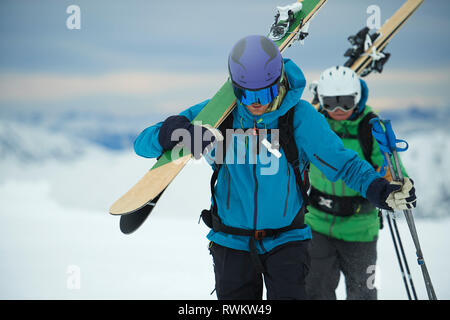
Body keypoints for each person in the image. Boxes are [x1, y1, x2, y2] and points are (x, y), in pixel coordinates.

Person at [133, 35, 417, 300]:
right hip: (230, 243)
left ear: (279, 80)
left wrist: (379, 189)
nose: (257, 104)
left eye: (266, 92)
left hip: (287, 243)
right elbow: (142, 144)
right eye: (247, 96)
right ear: (234, 88)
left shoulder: (299, 117)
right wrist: (172, 132)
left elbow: (342, 163)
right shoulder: (219, 114)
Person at [305, 65, 412, 300]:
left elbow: (392, 170)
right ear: (321, 99)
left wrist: (395, 186)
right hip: (317, 224)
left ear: (358, 97)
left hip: (361, 229)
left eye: (346, 101)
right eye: (331, 102)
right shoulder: (312, 125)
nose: (339, 109)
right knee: (313, 292)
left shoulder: (372, 127)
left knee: (363, 293)